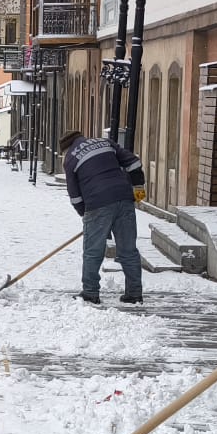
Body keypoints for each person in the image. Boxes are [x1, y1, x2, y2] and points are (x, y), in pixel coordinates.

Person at [61, 128, 146, 305]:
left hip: (97, 202)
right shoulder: (105, 142)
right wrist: (138, 186)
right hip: (124, 197)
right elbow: (134, 162)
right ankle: (135, 293)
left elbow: (75, 195)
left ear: (66, 148)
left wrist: (86, 216)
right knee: (128, 249)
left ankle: (91, 292)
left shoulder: (70, 159)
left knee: (93, 251)